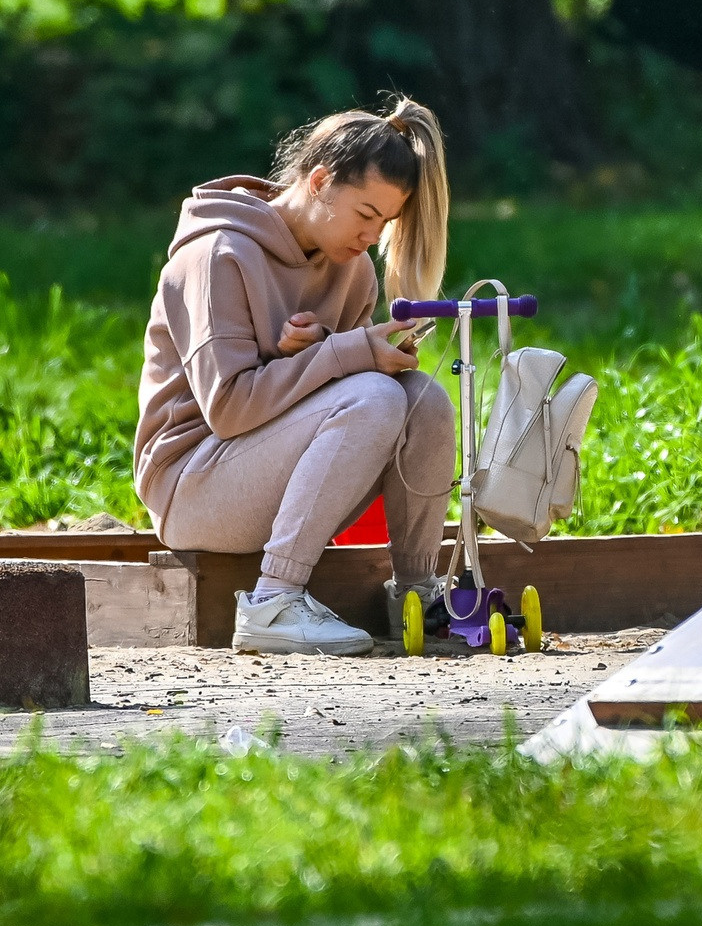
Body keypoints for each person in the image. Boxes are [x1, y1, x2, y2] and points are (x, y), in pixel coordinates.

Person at [134, 99, 459, 655]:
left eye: (385, 222)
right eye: (364, 214)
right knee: (376, 397)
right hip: (191, 485)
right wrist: (342, 356)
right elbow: (229, 411)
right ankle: (273, 604)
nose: (371, 235)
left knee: (422, 399)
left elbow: (329, 389)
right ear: (319, 180)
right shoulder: (219, 254)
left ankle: (416, 593)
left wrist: (338, 353)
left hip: (268, 473)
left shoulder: (352, 273)